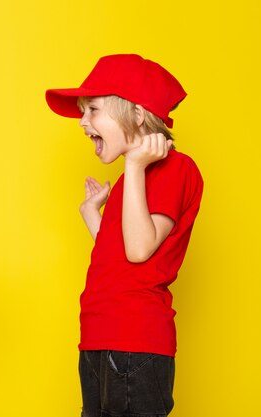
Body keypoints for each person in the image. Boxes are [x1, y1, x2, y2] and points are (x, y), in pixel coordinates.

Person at [45, 54, 203, 416]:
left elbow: (139, 248)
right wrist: (90, 213)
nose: (83, 122)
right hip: (100, 337)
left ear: (134, 113)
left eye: (93, 109)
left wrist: (133, 166)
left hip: (134, 341)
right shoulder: (130, 180)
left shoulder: (176, 168)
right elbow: (118, 255)